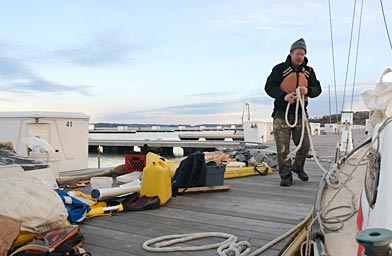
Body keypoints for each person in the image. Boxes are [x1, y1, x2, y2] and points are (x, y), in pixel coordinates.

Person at [264, 38, 322, 186]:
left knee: (304, 145)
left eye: (302, 54)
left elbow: (317, 89)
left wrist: (307, 90)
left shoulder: (309, 72)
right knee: (283, 148)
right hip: (281, 113)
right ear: (291, 53)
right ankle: (285, 175)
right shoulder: (279, 69)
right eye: (297, 53)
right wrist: (284, 96)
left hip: (301, 113)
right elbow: (269, 87)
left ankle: (298, 167)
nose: (299, 57)